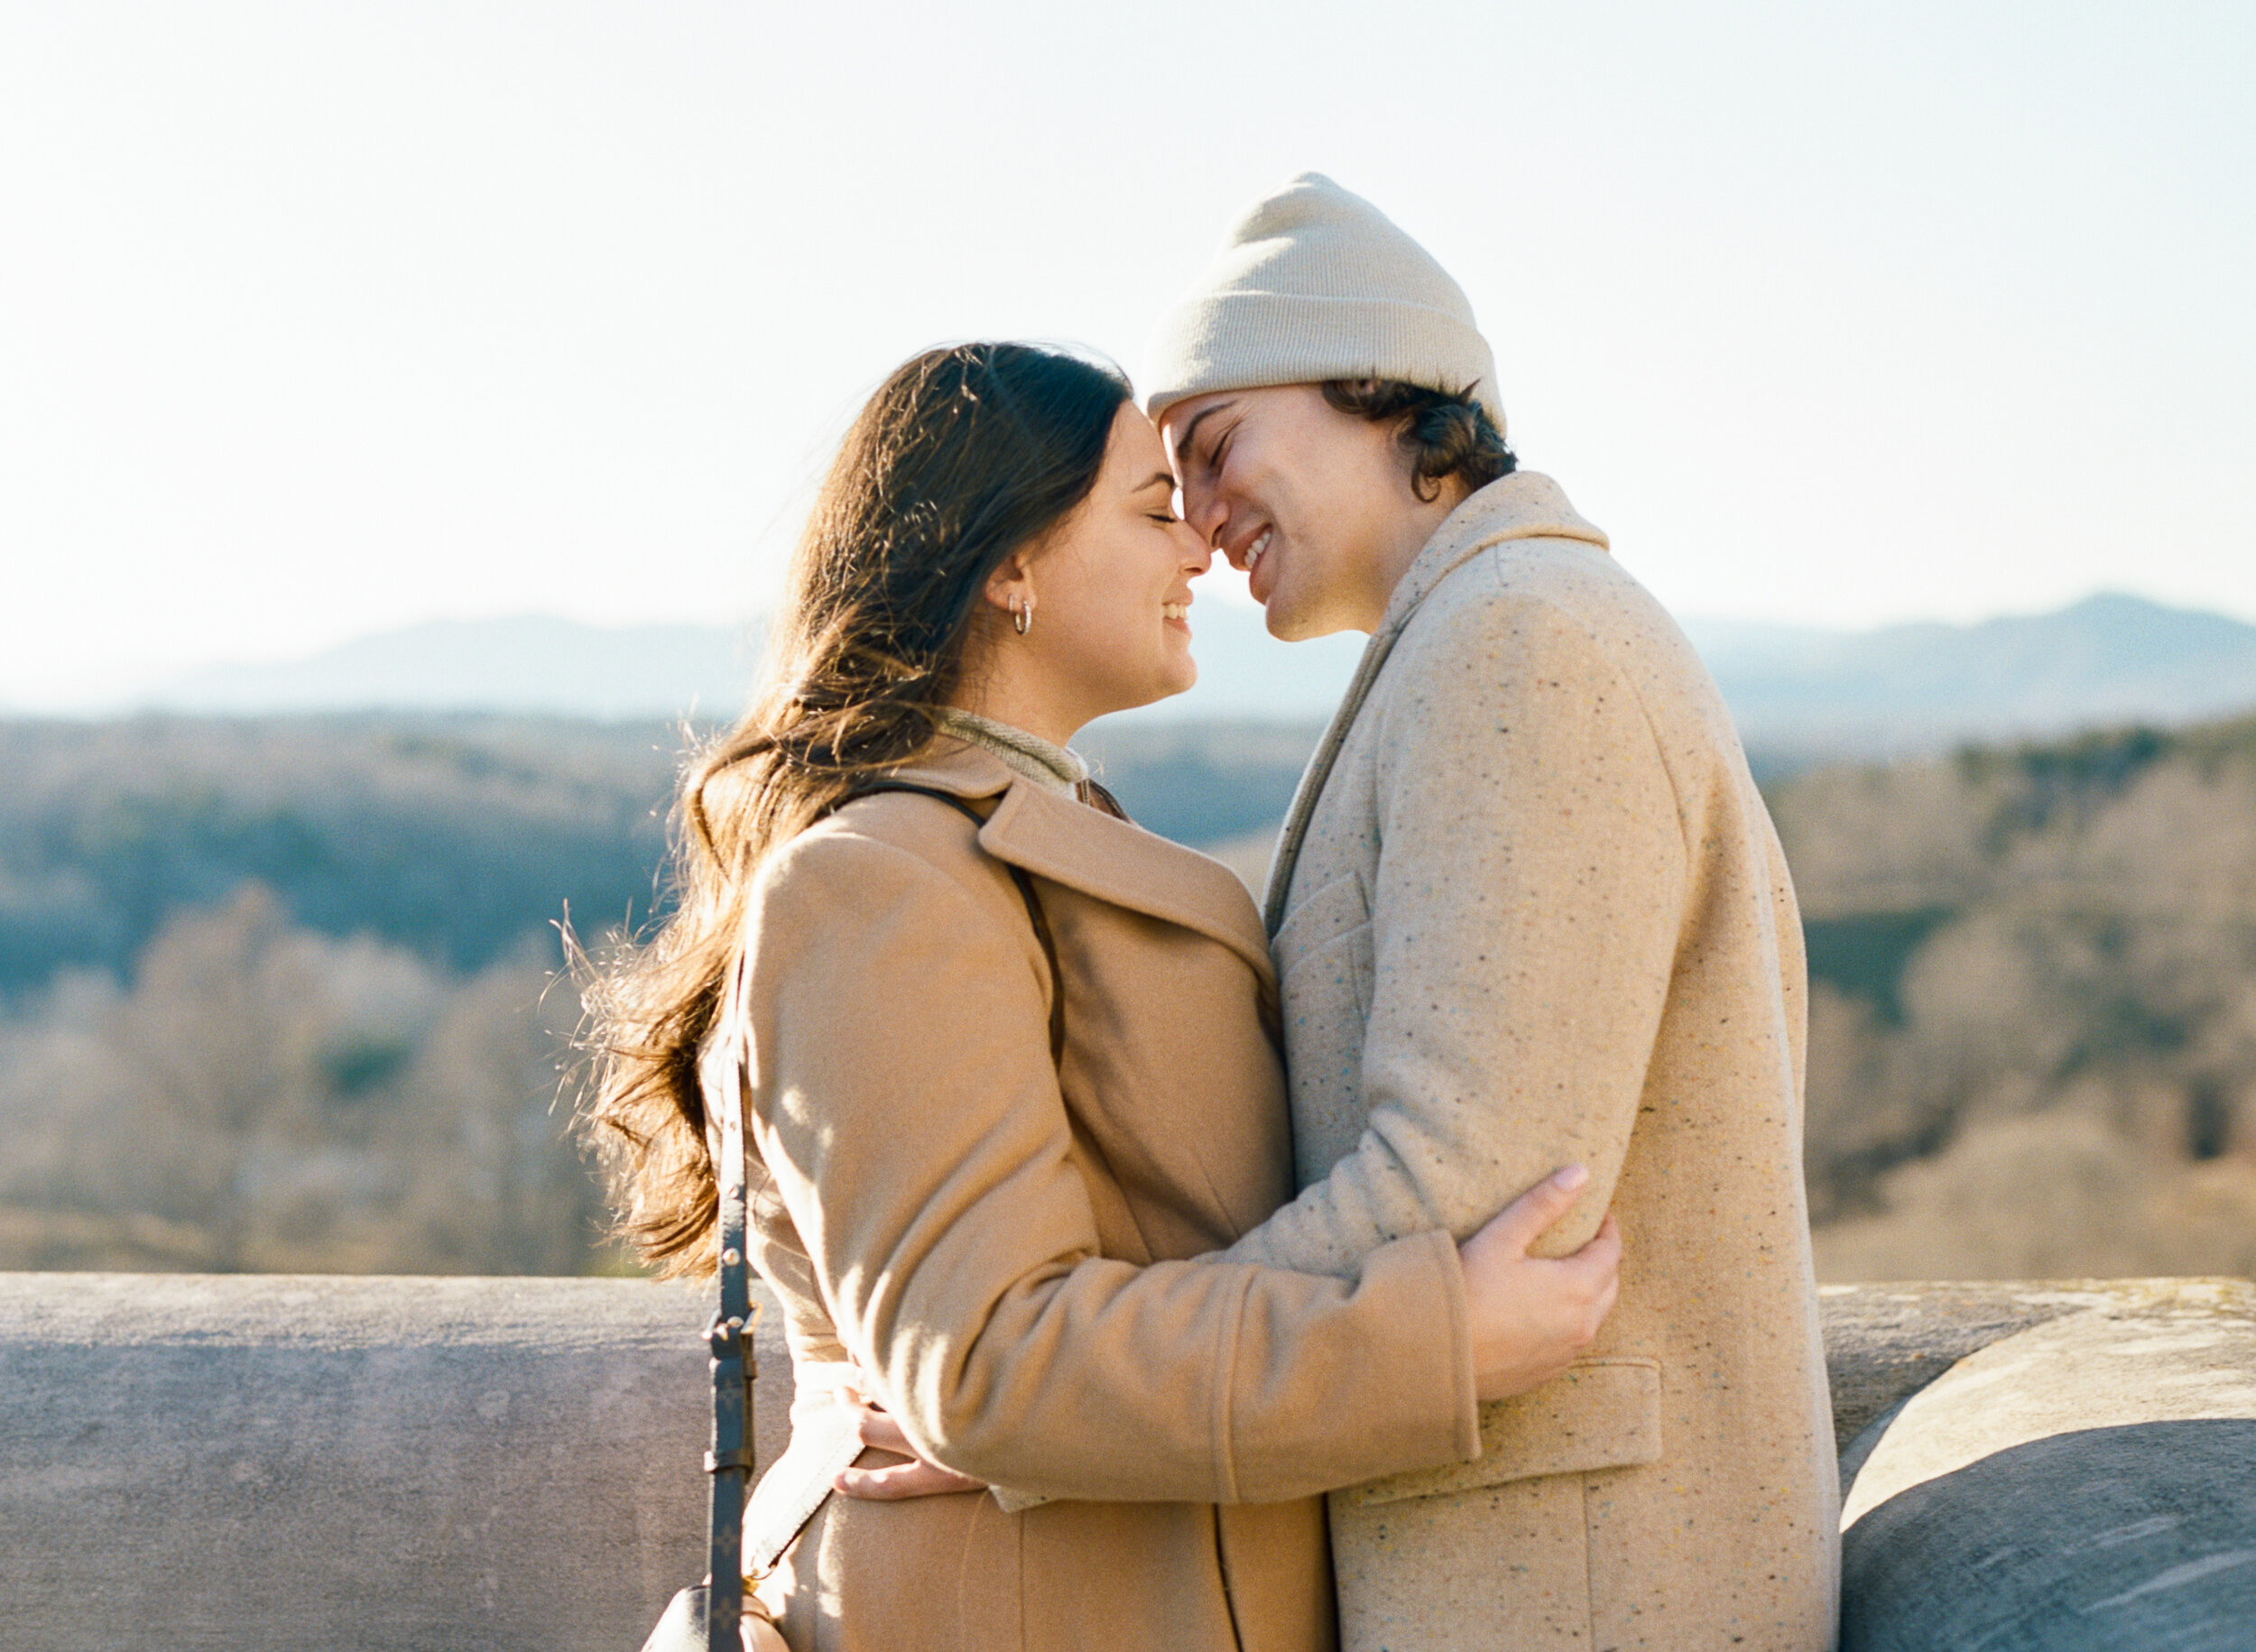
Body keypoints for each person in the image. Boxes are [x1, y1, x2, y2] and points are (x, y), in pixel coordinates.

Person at [579, 339, 1624, 1652]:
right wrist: (1436, 1346)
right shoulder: (880, 882)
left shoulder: (1019, 841)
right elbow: (987, 1363)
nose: (1200, 550)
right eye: (1150, 509)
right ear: (1008, 566)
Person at [1135, 173, 1844, 1649]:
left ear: (1378, 386)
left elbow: (1472, 1182)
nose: (1197, 526)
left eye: (1216, 448)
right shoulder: (1486, 632)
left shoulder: (1519, 643)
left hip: (1585, 1583)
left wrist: (1070, 1379)